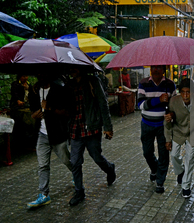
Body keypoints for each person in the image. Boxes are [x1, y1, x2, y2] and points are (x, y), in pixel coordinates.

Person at [68, 68, 116, 206]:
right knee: (75, 162)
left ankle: (109, 168)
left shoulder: (92, 81)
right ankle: (79, 192)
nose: (73, 70)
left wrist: (108, 127)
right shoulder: (69, 84)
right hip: (75, 129)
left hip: (91, 127)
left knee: (96, 156)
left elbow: (103, 103)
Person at [27, 75, 72, 208]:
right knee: (43, 165)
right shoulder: (34, 91)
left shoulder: (59, 89)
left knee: (66, 160)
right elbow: (32, 110)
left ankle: (77, 175)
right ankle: (44, 194)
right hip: (42, 134)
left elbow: (66, 112)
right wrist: (34, 115)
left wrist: (50, 108)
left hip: (57, 133)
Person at [164, 78, 194, 198]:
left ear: (193, 92)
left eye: (188, 92)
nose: (185, 95)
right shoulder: (173, 101)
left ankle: (186, 185)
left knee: (190, 158)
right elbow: (167, 123)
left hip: (193, 131)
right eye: (183, 92)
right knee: (174, 155)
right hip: (178, 131)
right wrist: (168, 139)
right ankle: (180, 171)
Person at [138, 65, 176, 193]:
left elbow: (175, 106)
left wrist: (172, 114)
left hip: (163, 126)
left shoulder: (170, 85)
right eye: (154, 67)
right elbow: (140, 105)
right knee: (147, 152)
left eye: (159, 68)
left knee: (163, 154)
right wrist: (158, 100)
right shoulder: (143, 83)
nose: (156, 70)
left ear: (164, 69)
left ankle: (160, 182)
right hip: (147, 124)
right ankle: (154, 169)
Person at [10, 74, 36, 148]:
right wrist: (18, 100)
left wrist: (28, 89)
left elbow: (32, 93)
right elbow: (14, 93)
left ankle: (30, 143)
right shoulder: (15, 84)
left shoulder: (29, 84)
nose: (25, 78)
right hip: (17, 107)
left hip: (26, 105)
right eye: (23, 76)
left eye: (26, 76)